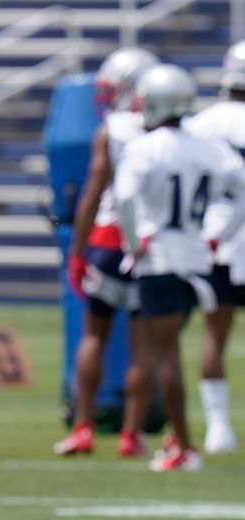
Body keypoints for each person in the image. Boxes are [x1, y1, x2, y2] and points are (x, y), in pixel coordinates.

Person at [115, 64, 245, 471]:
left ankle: (184, 447)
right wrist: (220, 237)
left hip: (160, 259)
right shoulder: (207, 147)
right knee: (177, 349)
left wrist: (134, 244)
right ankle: (180, 438)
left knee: (165, 355)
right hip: (197, 258)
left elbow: (123, 200)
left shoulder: (145, 147)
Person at [53, 47, 159, 458]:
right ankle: (132, 435)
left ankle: (83, 426)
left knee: (93, 335)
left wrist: (76, 251)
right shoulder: (163, 131)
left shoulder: (111, 130)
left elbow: (93, 193)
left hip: (106, 244)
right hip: (148, 248)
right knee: (143, 344)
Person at [181, 39, 245, 454]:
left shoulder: (198, 124)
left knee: (213, 335)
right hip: (235, 233)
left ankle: (217, 428)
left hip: (211, 241)